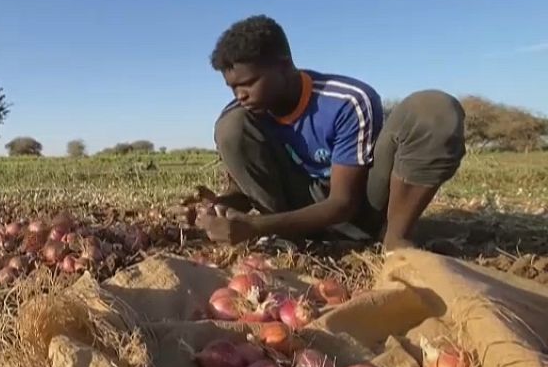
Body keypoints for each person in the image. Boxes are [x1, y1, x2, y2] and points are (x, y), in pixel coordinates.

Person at [197, 15, 465, 248]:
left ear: (284, 65)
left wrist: (256, 227)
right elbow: (248, 188)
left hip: (362, 205)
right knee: (230, 127)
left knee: (432, 111)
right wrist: (219, 208)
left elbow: (343, 202)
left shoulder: (346, 101)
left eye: (248, 83)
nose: (240, 95)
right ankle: (291, 236)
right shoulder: (244, 115)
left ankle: (395, 239)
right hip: (297, 211)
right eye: (232, 87)